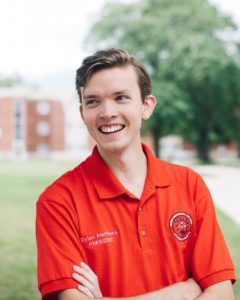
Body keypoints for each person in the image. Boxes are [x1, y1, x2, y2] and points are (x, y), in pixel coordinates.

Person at [36, 49, 236, 300]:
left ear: (146, 106)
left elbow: (223, 293)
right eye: (93, 101)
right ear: (82, 114)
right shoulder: (58, 202)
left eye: (121, 98)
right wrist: (181, 292)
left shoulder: (189, 185)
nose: (107, 112)